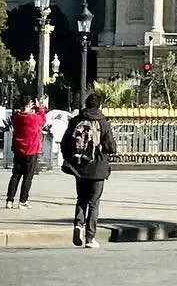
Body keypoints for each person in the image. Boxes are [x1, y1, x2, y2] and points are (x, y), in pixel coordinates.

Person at [61, 92, 118, 248]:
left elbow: (65, 142)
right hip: (98, 167)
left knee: (81, 198)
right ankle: (90, 237)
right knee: (94, 202)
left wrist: (71, 158)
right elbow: (110, 147)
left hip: (80, 166)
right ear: (99, 105)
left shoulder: (76, 120)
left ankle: (78, 225)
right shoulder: (103, 122)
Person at [5, 98, 47, 209]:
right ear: (29, 105)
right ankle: (23, 201)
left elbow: (15, 114)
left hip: (18, 150)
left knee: (16, 175)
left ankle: (9, 200)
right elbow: (42, 120)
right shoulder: (33, 119)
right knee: (28, 177)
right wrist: (39, 108)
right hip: (31, 150)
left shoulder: (16, 117)